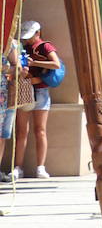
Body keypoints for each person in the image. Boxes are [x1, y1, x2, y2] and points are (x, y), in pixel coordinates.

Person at [11, 22, 60, 179]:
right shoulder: (21, 47)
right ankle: (18, 167)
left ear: (38, 33)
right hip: (25, 89)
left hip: (41, 90)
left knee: (40, 130)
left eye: (30, 36)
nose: (28, 40)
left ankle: (40, 167)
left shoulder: (45, 47)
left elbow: (56, 64)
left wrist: (35, 63)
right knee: (21, 131)